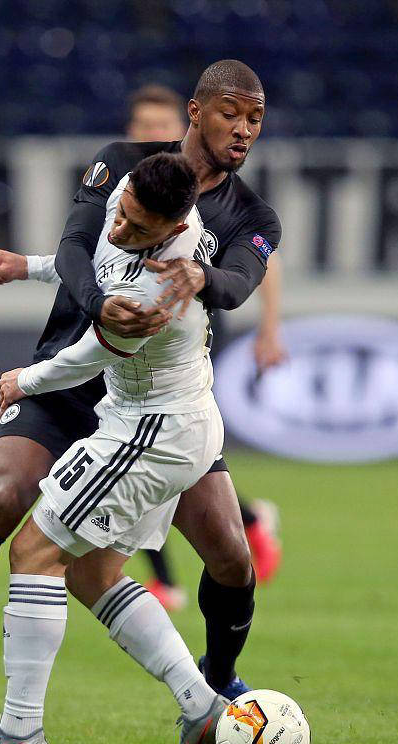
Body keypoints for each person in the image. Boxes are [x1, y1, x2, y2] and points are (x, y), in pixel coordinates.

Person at [0, 59, 279, 719]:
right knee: (6, 498)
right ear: (195, 113)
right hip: (71, 374)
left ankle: (216, 685)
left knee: (230, 554)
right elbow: (75, 247)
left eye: (255, 118)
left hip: (144, 399)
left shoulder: (250, 216)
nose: (244, 129)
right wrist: (87, 299)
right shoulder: (122, 166)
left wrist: (201, 281)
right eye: (231, 113)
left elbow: (237, 284)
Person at [0, 152, 226, 744]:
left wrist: (24, 380)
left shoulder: (160, 287)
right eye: (122, 213)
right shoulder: (131, 198)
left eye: (138, 228)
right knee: (92, 573)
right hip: (168, 423)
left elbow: (89, 356)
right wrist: (30, 267)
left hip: (152, 433)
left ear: (175, 229)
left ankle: (19, 731)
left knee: (34, 550)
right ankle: (203, 708)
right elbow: (97, 260)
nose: (119, 229)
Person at [122, 84, 286, 610]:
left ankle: (179, 570)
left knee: (161, 447)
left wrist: (270, 329)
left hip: (189, 334)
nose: (151, 134)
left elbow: (262, 263)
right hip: (132, 328)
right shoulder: (129, 180)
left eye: (160, 125)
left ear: (184, 124)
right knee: (144, 452)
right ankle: (240, 525)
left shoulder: (224, 196)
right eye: (143, 126)